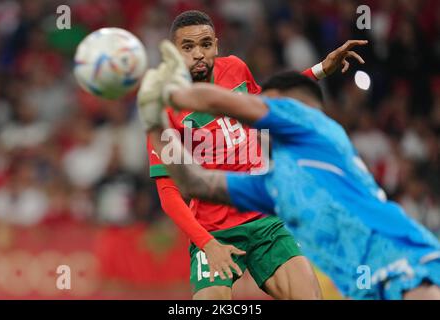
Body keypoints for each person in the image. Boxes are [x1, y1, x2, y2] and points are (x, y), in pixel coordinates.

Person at [137, 40, 440, 300]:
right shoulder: (271, 187)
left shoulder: (320, 133)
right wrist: (155, 121)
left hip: (403, 257)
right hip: (365, 275)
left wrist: (170, 95)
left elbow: (249, 103)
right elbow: (195, 184)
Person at [147, 10, 367, 300]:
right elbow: (168, 192)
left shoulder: (235, 69)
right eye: (187, 47)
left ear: (216, 44)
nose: (198, 53)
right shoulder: (162, 109)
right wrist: (208, 244)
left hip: (264, 216)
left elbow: (266, 107)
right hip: (213, 229)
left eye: (205, 44)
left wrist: (320, 69)